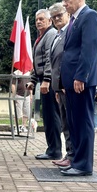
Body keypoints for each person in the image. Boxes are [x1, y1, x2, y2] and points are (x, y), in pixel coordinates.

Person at [60, 0, 97, 176]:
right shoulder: (74, 20)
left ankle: (84, 165)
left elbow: (89, 49)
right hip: (71, 80)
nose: (65, 3)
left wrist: (80, 76)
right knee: (74, 121)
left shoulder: (89, 16)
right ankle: (76, 160)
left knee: (83, 121)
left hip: (81, 79)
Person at [26, 9, 62, 160]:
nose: (38, 22)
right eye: (36, 20)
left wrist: (46, 80)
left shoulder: (51, 34)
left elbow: (49, 59)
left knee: (52, 116)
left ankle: (55, 150)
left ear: (49, 21)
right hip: (43, 80)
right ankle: (51, 148)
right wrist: (33, 80)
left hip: (50, 82)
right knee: (47, 116)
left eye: (41, 19)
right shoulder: (41, 37)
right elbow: (37, 63)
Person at [48, 2, 74, 168]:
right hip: (60, 88)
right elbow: (55, 63)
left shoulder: (69, 33)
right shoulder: (57, 35)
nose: (57, 18)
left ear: (68, 14)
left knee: (70, 123)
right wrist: (56, 87)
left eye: (60, 15)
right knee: (65, 123)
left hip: (68, 85)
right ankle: (69, 154)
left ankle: (72, 156)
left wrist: (65, 82)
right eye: (54, 16)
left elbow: (68, 60)